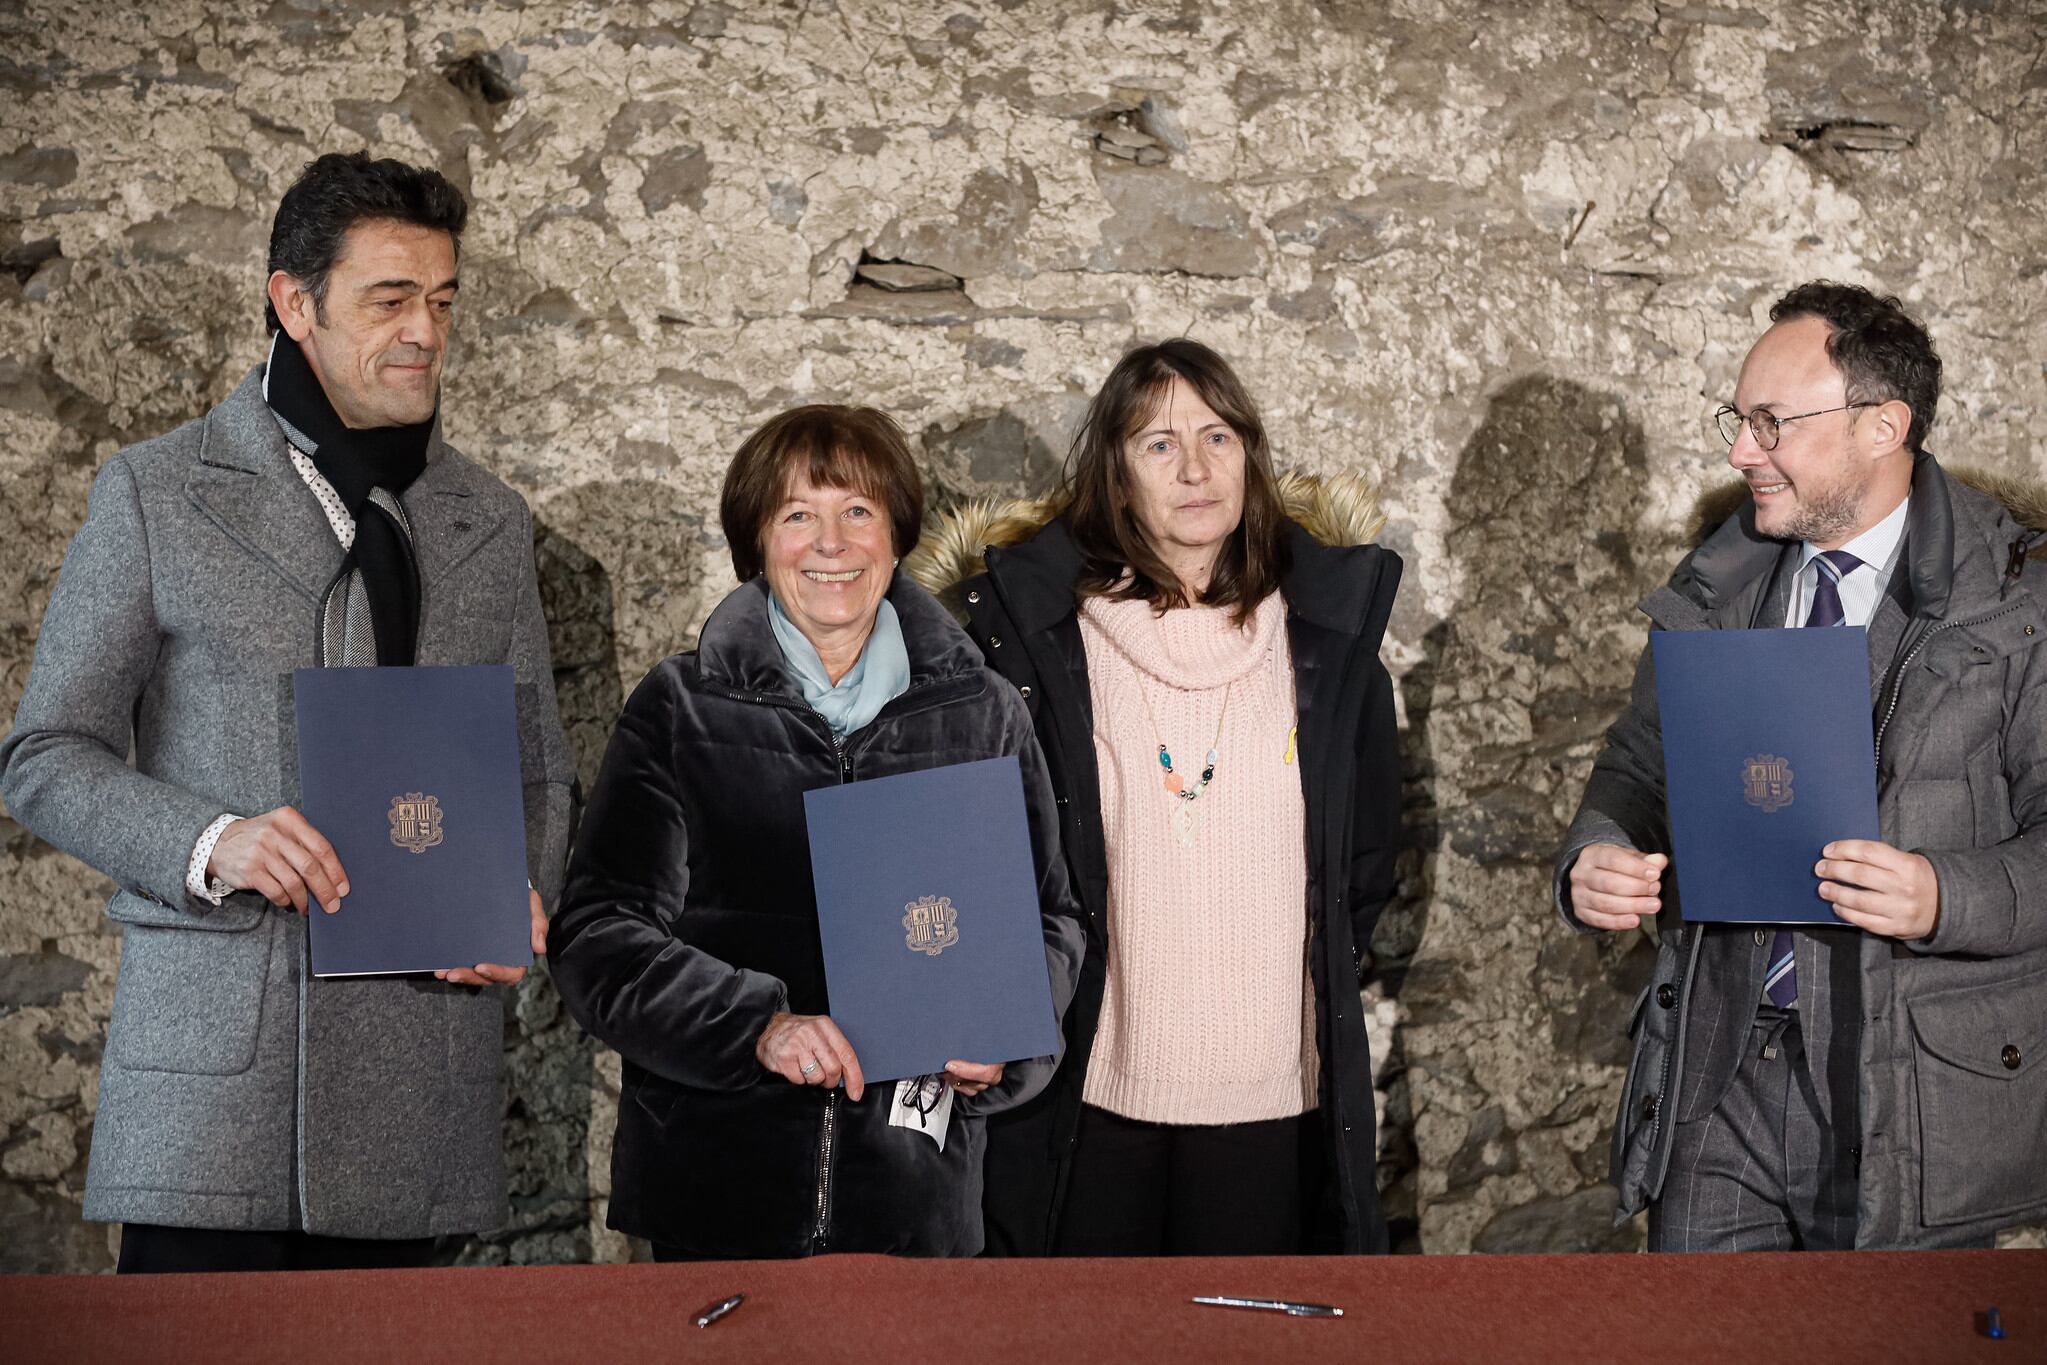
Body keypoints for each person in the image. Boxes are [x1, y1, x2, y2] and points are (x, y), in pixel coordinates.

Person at [0, 152, 573, 1272]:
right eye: (390, 299)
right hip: (217, 1101)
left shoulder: (488, 521)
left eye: (443, 301)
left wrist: (521, 896)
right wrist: (215, 842)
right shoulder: (156, 494)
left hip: (421, 1091)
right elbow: (43, 756)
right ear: (293, 302)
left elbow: (536, 769)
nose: (425, 331)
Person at [1556, 280, 2047, 1250]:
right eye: (1737, 421)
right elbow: (1636, 765)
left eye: (1770, 423)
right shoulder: (1722, 580)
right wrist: (1597, 850)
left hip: (1907, 1094)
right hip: (1718, 1079)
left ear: (1881, 425)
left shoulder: (2018, 601)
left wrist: (1945, 895)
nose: (1741, 451)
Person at [546, 404, 1084, 1260]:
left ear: (896, 535)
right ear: (756, 542)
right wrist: (757, 1026)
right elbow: (597, 935)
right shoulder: (681, 708)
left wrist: (1006, 1040)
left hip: (912, 1197)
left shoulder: (981, 712)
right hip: (716, 1190)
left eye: (857, 511)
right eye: (798, 514)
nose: (830, 543)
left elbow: (1050, 922)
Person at [922, 338, 1403, 1256]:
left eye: (1217, 437)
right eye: (1157, 444)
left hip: (1271, 1090)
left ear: (1250, 460)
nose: (1194, 468)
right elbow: (985, 856)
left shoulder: (1328, 646)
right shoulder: (1036, 650)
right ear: (1114, 474)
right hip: (1091, 1088)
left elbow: (1366, 862)